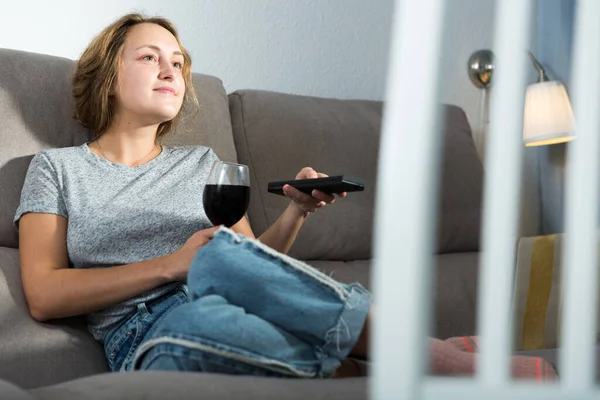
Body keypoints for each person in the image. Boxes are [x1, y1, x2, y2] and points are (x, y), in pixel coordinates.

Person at [14, 13, 557, 381]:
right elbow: (43, 293)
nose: (170, 71)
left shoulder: (202, 165)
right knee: (213, 304)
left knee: (225, 258)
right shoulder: (57, 169)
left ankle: (437, 361)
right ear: (108, 77)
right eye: (149, 58)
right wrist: (173, 266)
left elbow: (252, 263)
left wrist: (297, 211)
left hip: (237, 297)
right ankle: (435, 361)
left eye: (178, 62)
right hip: (148, 334)